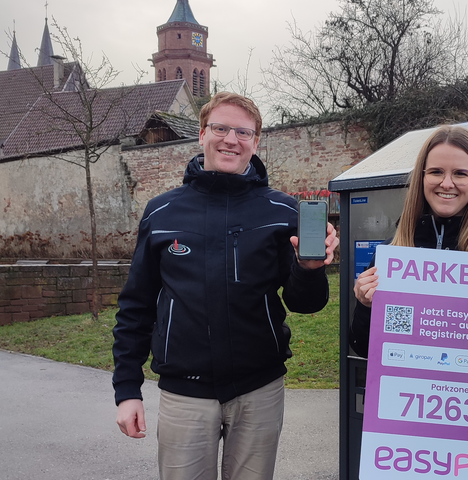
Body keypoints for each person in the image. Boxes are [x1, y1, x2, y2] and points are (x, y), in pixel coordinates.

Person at [112, 92, 339, 480]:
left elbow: (306, 304)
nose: (230, 139)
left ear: (256, 141)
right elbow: (136, 305)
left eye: (243, 131)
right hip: (185, 393)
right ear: (201, 135)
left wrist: (310, 268)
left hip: (259, 390)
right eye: (220, 128)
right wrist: (127, 389)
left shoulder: (284, 211)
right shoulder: (162, 212)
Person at [349, 125, 468, 357]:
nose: (446, 183)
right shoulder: (393, 253)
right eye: (435, 172)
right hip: (411, 390)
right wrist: (366, 306)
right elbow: (366, 349)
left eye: (460, 173)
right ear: (422, 177)